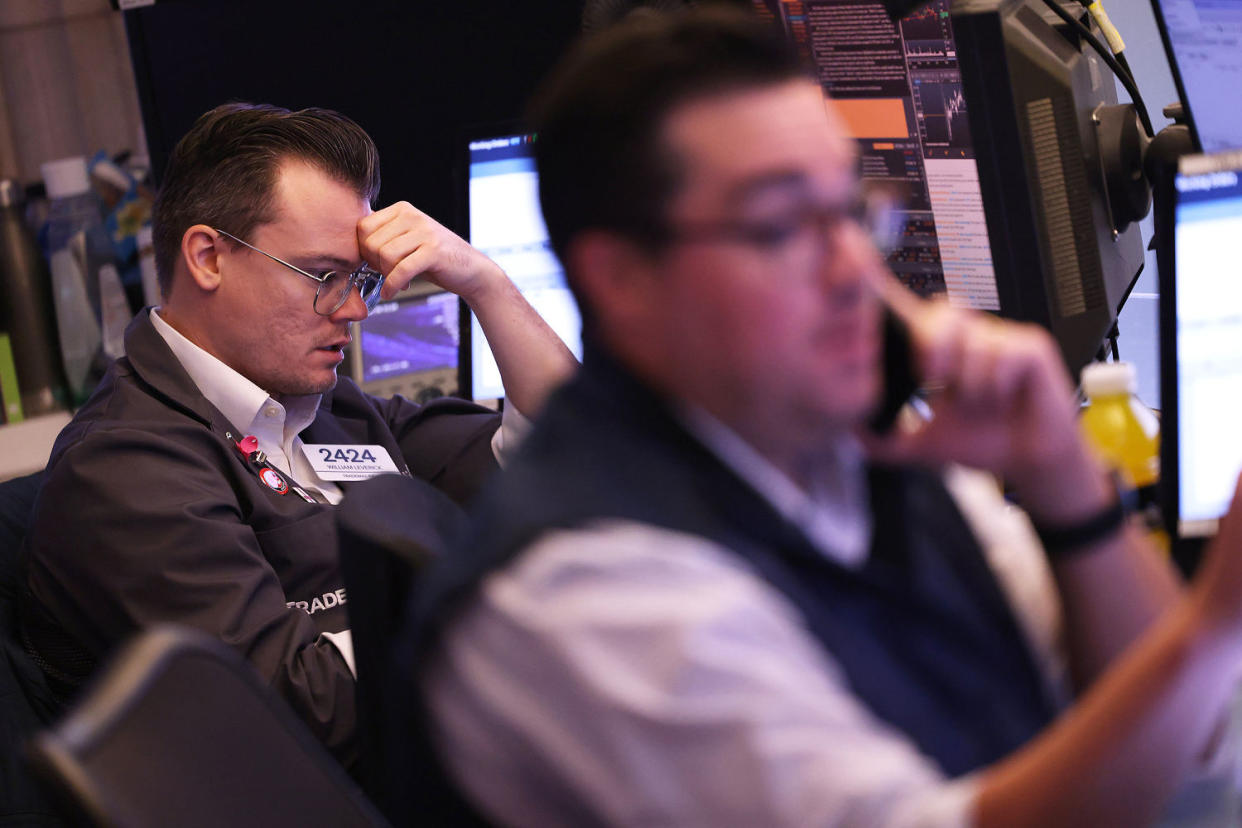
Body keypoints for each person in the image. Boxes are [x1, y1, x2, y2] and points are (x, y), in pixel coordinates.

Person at [410, 9, 1242, 826]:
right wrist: (1218, 621)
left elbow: (1182, 749)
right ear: (622, 277)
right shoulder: (587, 586)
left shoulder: (861, 451)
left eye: (851, 213)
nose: (854, 268)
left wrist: (1065, 482)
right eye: (781, 227)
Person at [17, 103, 576, 764]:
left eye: (360, 277)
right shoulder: (123, 470)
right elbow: (305, 712)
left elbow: (563, 458)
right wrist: (510, 623)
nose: (357, 310)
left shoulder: (321, 403)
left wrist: (485, 283)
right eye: (325, 277)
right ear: (207, 258)